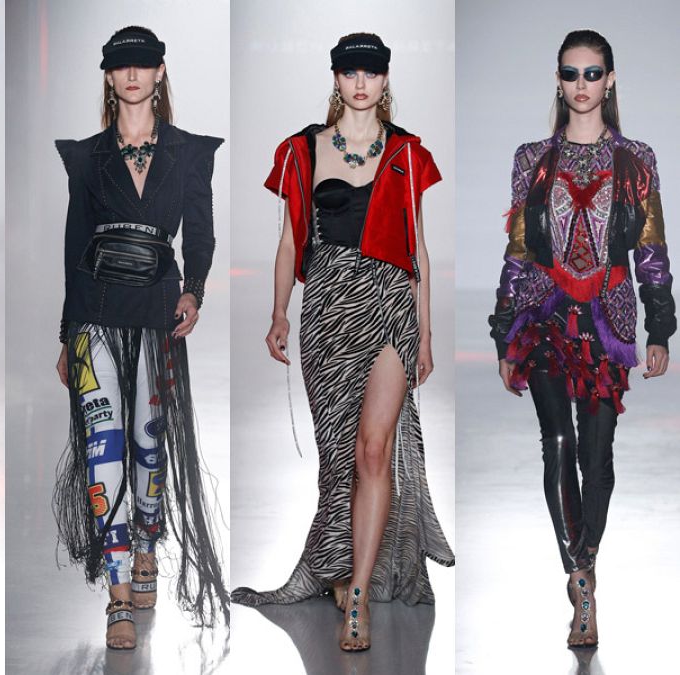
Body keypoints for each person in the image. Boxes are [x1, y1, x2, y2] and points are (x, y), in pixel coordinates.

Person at [230, 32, 454, 652]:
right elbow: (288, 241)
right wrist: (278, 312)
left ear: (385, 80)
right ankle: (335, 563)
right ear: (336, 77)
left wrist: (425, 334)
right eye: (350, 71)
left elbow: (419, 249)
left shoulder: (407, 153)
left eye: (371, 72)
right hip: (328, 308)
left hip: (390, 303)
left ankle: (357, 593)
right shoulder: (301, 150)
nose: (360, 82)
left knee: (373, 450)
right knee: (338, 457)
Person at [489, 29, 675, 648]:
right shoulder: (531, 160)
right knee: (558, 443)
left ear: (610, 79)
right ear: (558, 80)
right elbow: (518, 249)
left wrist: (659, 326)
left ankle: (586, 563)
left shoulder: (637, 160)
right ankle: (579, 580)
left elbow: (651, 249)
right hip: (543, 314)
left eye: (593, 73)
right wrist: (502, 330)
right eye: (571, 73)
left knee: (597, 457)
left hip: (609, 319)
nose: (582, 84)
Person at [52, 25, 230, 650]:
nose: (132, 74)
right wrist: (67, 333)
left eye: (143, 63)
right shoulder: (86, 157)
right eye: (121, 65)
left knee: (148, 444)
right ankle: (119, 592)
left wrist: (195, 290)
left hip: (157, 308)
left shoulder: (189, 153)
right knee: (104, 447)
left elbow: (200, 232)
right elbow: (75, 244)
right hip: (96, 311)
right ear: (108, 75)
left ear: (159, 72)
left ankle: (149, 540)